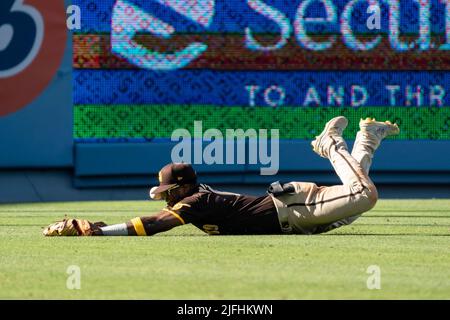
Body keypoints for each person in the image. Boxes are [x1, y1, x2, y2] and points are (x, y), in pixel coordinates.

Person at [43, 116, 399, 237]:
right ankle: (368, 139)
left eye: (169, 190)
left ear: (183, 186)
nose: (166, 196)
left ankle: (331, 143)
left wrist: (100, 232)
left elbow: (153, 225)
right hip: (293, 215)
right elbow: (155, 215)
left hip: (296, 207)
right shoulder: (193, 197)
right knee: (355, 204)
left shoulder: (195, 200)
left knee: (363, 196)